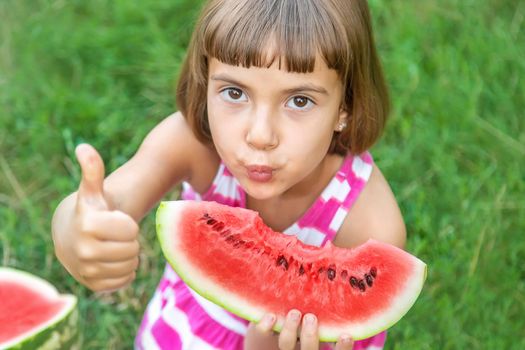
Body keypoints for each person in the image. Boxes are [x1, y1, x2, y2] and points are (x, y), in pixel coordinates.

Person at [52, 0, 406, 349]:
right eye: (234, 92)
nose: (260, 135)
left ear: (345, 105)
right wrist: (75, 230)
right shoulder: (192, 145)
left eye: (299, 100)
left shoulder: (368, 224)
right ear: (205, 83)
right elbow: (111, 201)